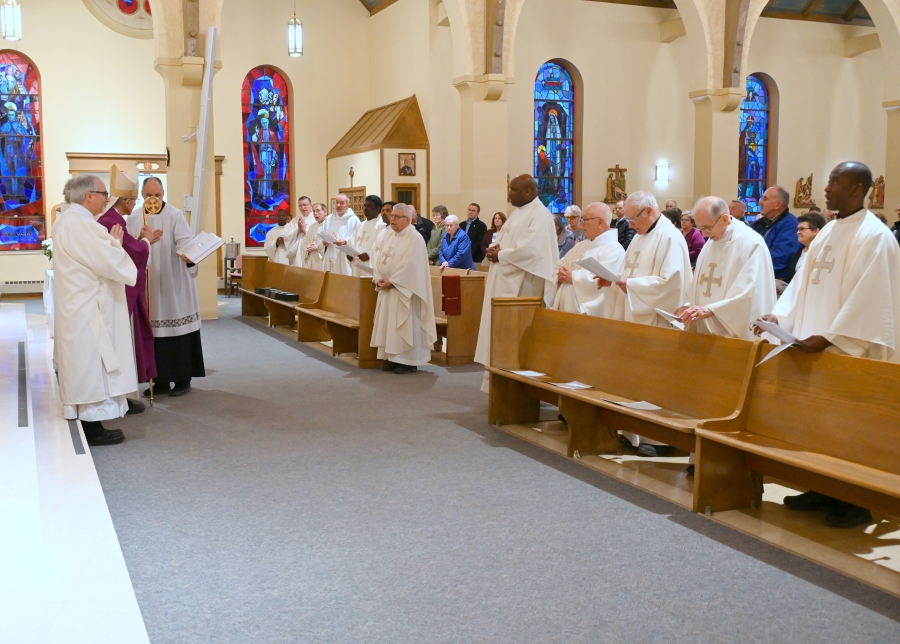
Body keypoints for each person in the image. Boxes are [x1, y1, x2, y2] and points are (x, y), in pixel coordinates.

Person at [753, 161, 900, 529]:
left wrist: (832, 336)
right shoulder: (831, 229)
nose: (827, 187)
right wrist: (779, 317)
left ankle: (854, 501)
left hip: (848, 350)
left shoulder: (874, 236)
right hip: (810, 345)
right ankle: (822, 486)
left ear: (857, 189)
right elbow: (803, 283)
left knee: (849, 427)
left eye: (835, 181)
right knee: (818, 424)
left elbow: (872, 300)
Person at [596, 190, 691, 457]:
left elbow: (672, 284)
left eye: (632, 219)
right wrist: (614, 281)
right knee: (635, 377)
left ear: (648, 211)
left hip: (657, 322)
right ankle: (633, 433)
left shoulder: (669, 237)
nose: (629, 225)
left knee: (657, 379)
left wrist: (631, 285)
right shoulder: (640, 237)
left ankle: (662, 440)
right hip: (636, 318)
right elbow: (629, 274)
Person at [55, 175, 137, 446]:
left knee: (85, 364)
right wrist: (114, 244)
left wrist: (108, 243)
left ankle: (91, 422)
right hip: (88, 306)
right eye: (104, 193)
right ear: (89, 196)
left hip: (78, 304)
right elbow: (108, 261)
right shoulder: (81, 224)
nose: (107, 198)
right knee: (91, 367)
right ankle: (93, 429)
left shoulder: (68, 219)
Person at [475, 175, 558, 390]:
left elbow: (533, 251)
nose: (509, 194)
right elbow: (505, 243)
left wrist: (501, 255)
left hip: (523, 289)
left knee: (516, 338)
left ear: (528, 192)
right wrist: (496, 250)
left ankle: (517, 386)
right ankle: (500, 381)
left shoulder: (540, 215)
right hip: (504, 282)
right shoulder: (518, 213)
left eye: (513, 189)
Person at [126, 177, 205, 397]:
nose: (153, 199)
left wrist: (187, 251)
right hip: (149, 282)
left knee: (177, 330)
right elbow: (128, 245)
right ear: (143, 194)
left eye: (157, 195)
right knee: (153, 333)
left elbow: (185, 241)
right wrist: (142, 240)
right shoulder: (134, 217)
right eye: (149, 195)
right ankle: (158, 381)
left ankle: (182, 379)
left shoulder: (174, 214)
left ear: (163, 194)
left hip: (172, 281)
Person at [97, 165, 161, 414]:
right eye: (134, 200)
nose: (135, 205)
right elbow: (133, 253)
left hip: (121, 292)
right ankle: (121, 395)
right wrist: (146, 240)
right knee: (123, 344)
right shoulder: (112, 221)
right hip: (119, 294)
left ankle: (125, 394)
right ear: (126, 201)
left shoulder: (113, 220)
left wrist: (141, 241)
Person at [675, 196, 775, 340]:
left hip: (736, 334)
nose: (704, 234)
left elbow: (750, 295)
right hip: (706, 332)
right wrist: (688, 305)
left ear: (725, 219)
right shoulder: (711, 242)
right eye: (700, 228)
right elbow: (698, 282)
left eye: (707, 227)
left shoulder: (752, 244)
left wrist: (712, 310)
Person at [370, 203, 437, 374]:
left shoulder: (415, 238)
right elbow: (379, 258)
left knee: (405, 323)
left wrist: (393, 281)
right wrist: (378, 278)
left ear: (408, 220)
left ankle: (408, 361)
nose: (392, 219)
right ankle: (392, 358)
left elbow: (412, 266)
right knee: (389, 324)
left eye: (397, 217)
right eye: (392, 216)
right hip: (387, 288)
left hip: (405, 290)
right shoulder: (390, 235)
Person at [551, 202, 625, 317]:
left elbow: (604, 283)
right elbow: (560, 265)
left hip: (588, 319)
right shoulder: (581, 245)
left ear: (600, 222)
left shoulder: (613, 250)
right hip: (565, 311)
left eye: (585, 220)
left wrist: (573, 277)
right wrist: (560, 274)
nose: (581, 225)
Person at [752, 186, 800, 281]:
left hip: (774, 279)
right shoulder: (758, 224)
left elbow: (780, 258)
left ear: (777, 205)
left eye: (765, 199)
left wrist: (750, 271)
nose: (760, 202)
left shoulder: (791, 225)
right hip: (755, 274)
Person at [319, 193, 360, 274]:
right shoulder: (329, 219)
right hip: (330, 253)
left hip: (345, 256)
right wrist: (323, 242)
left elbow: (358, 239)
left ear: (348, 205)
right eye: (336, 202)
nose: (338, 205)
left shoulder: (354, 220)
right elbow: (321, 236)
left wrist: (346, 241)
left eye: (342, 203)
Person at [347, 195, 386, 277]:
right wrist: (349, 253)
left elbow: (383, 247)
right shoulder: (360, 225)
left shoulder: (382, 225)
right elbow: (352, 242)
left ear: (378, 209)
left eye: (369, 206)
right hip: (357, 265)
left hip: (370, 266)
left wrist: (369, 255)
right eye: (365, 205)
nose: (365, 208)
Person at [784, 212, 827, 283]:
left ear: (815, 231)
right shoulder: (800, 250)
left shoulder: (822, 252)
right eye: (797, 229)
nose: (798, 232)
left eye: (802, 229)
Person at [297, 202, 328, 270]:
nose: (315, 213)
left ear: (325, 212)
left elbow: (331, 243)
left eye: (318, 210)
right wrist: (308, 246)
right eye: (313, 211)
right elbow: (305, 242)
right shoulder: (312, 227)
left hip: (323, 260)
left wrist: (318, 247)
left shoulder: (329, 225)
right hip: (312, 258)